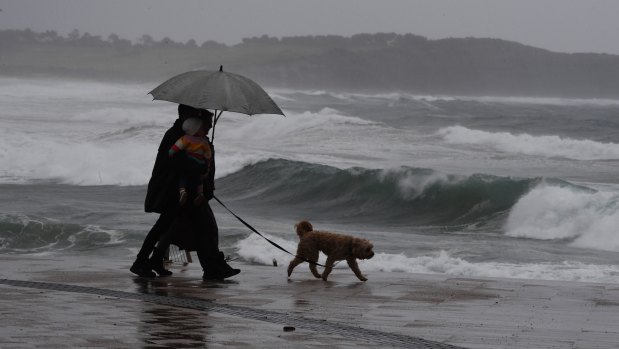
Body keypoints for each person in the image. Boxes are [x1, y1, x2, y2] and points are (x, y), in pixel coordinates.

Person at [130, 104, 240, 280]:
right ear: (195, 122)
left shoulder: (189, 137)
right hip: (174, 192)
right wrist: (202, 163)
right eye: (207, 122)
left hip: (182, 192)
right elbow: (180, 164)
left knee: (179, 227)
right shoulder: (178, 137)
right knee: (195, 227)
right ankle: (142, 261)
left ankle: (154, 260)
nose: (210, 126)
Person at [169, 117, 211, 206]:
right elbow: (208, 155)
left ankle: (182, 191)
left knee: (183, 176)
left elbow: (176, 147)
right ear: (195, 130)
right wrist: (207, 166)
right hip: (200, 164)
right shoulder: (204, 141)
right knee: (199, 180)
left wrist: (171, 153)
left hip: (189, 162)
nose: (204, 130)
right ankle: (200, 194)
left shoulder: (186, 138)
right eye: (202, 128)